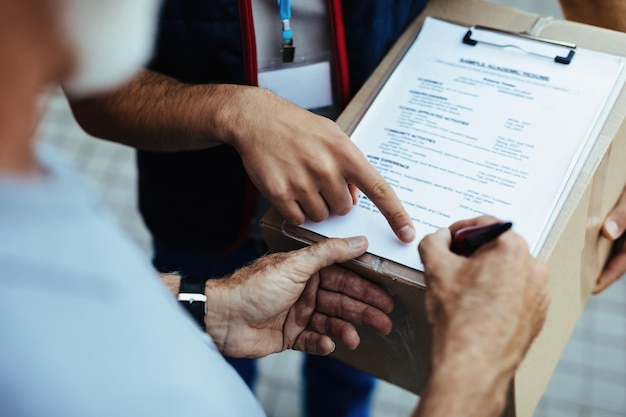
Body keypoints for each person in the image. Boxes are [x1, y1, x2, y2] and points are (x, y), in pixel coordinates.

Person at [0, 3, 550, 415]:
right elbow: (98, 99)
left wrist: (204, 303)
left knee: (350, 344)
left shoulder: (48, 193)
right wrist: (476, 362)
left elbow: (95, 301)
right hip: (205, 208)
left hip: (351, 222)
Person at [68, 2, 427, 416]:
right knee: (210, 374)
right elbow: (91, 92)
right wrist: (231, 110)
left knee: (348, 361)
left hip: (355, 214)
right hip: (201, 213)